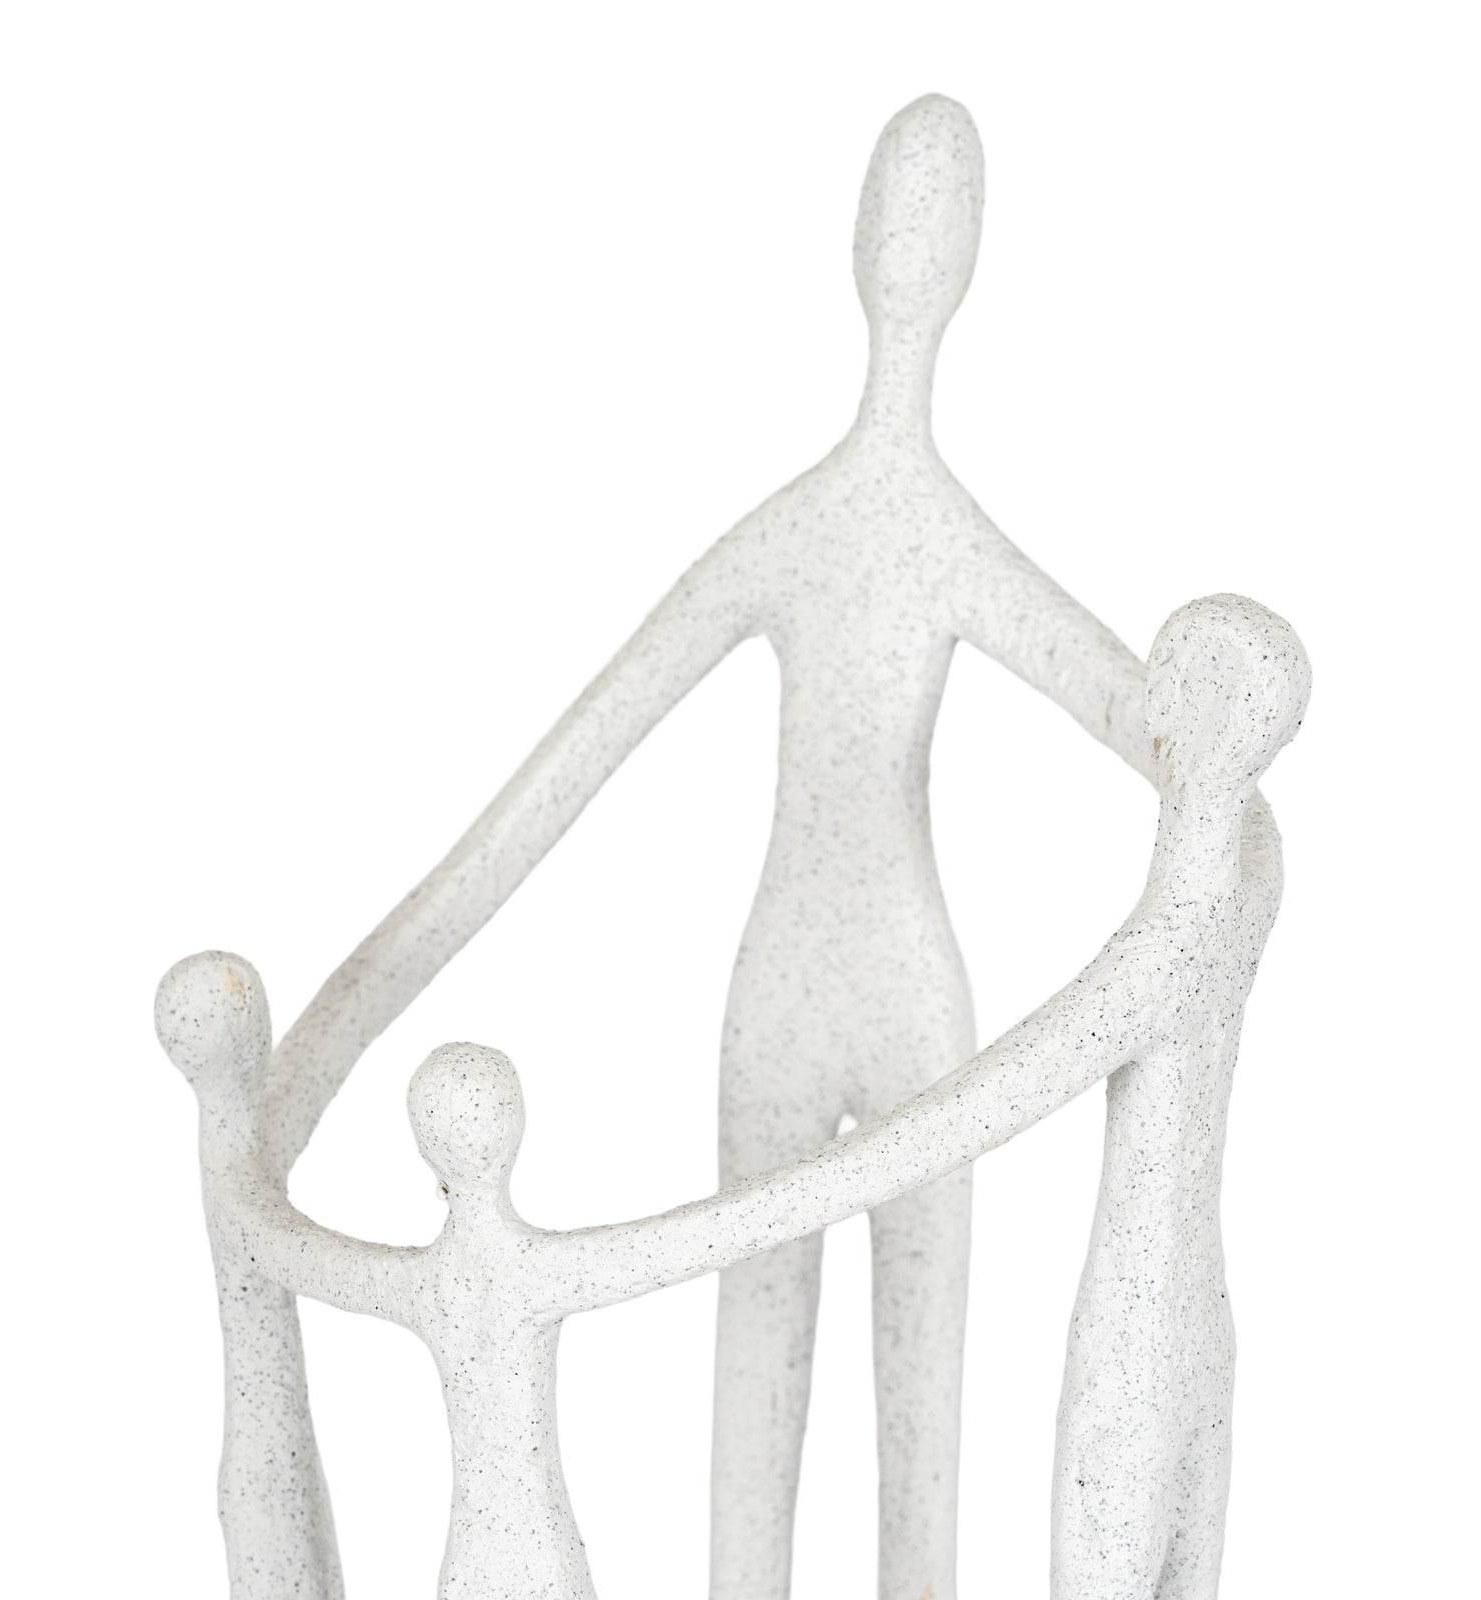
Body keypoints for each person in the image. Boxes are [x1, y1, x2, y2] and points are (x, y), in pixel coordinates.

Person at [255, 94, 1157, 1600]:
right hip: (788, 981)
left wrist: (1216, 745)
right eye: (900, 213)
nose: (909, 248)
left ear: (958, 260)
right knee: (762, 1329)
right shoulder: (801, 531)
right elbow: (579, 754)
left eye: (931, 219)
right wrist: (397, 962)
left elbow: (1133, 710)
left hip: (907, 982)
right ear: (863, 245)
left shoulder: (940, 537)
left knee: (919, 1379)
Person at [157, 593, 1308, 1600]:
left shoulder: (1211, 907)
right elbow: (559, 781)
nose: (1172, 705)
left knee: (924, 1381)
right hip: (851, 1034)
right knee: (793, 1351)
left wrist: (757, 1214)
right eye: (1176, 683)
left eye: (1194, 689)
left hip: (1072, 1223)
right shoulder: (1239, 883)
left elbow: (1025, 1072)